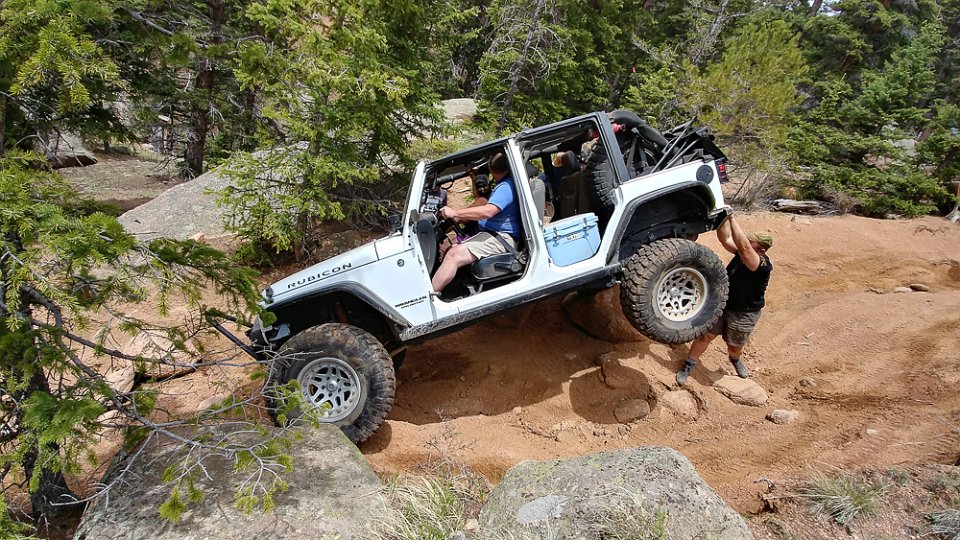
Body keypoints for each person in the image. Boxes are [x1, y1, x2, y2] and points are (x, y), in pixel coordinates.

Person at [675, 215, 774, 385]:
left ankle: (735, 358)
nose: (746, 242)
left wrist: (732, 219)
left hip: (744, 313)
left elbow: (744, 247)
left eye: (751, 242)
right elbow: (726, 238)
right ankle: (689, 365)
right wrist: (723, 218)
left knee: (734, 345)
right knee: (706, 335)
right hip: (723, 304)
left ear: (761, 249)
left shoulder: (762, 265)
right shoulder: (742, 254)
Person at [431, 153, 521, 293]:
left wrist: (455, 213)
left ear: (491, 167)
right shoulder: (504, 184)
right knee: (453, 247)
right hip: (493, 235)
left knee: (454, 255)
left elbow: (488, 211)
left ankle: (430, 298)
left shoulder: (505, 187)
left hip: (502, 239)